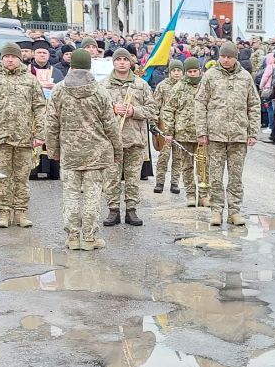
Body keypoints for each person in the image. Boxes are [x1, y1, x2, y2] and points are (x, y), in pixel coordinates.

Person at [45, 49, 120, 250]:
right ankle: (89, 238)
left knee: (70, 195)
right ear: (89, 66)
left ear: (71, 66)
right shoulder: (100, 91)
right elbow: (111, 125)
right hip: (97, 153)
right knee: (92, 195)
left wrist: (53, 150)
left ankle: (72, 237)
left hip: (69, 153)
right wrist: (116, 150)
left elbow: (51, 123)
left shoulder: (59, 90)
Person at [0, 41, 46, 228]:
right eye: (6, 56)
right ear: (1, 58)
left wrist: (40, 133)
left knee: (22, 177)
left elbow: (39, 107)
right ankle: (4, 212)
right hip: (1, 137)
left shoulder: (30, 79)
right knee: (2, 176)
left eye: (13, 56)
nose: (10, 60)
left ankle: (21, 212)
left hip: (24, 137)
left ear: (19, 58)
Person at [195, 42, 260, 227]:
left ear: (235, 58)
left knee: (236, 177)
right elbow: (200, 103)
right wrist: (201, 130)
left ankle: (234, 211)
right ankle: (216, 210)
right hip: (215, 135)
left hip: (238, 136)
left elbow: (254, 105)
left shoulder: (245, 77)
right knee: (215, 176)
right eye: (223, 56)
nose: (225, 59)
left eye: (229, 56)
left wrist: (253, 132)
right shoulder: (210, 76)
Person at [101, 48, 155, 228]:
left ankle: (131, 210)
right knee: (112, 177)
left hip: (135, 140)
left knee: (133, 178)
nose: (122, 62)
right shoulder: (103, 86)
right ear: (113, 62)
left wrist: (134, 111)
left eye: (125, 59)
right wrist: (112, 109)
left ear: (131, 62)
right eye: (119, 59)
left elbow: (152, 110)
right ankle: (113, 210)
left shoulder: (140, 85)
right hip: (111, 141)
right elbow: (97, 111)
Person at [160, 58, 205, 207]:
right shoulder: (179, 87)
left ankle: (204, 195)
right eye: (190, 72)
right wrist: (169, 131)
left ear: (199, 70)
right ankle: (191, 195)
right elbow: (168, 110)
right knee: (186, 167)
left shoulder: (206, 86)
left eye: (195, 71)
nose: (193, 74)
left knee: (204, 166)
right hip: (183, 134)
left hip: (203, 135)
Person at [151, 58, 184, 194]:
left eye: (179, 70)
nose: (176, 73)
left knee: (178, 156)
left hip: (181, 127)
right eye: (174, 70)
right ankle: (160, 181)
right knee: (164, 156)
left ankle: (175, 182)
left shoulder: (185, 86)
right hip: (165, 126)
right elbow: (155, 105)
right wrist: (153, 122)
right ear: (169, 72)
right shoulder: (162, 86)